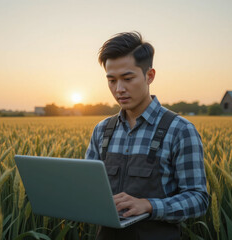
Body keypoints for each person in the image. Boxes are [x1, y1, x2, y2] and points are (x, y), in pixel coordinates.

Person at [85, 32, 209, 240]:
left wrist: (149, 205)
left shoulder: (180, 130)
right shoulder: (102, 130)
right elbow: (87, 188)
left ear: (149, 76)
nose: (119, 89)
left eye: (127, 78)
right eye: (112, 80)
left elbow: (199, 199)